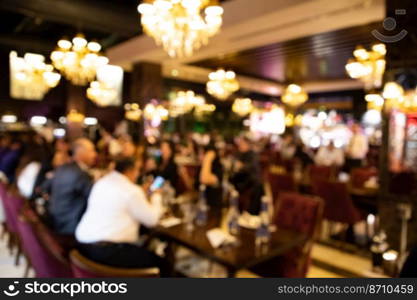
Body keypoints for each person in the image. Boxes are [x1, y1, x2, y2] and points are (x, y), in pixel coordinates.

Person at [75, 158, 167, 274]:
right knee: (162, 264)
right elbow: (152, 220)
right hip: (106, 251)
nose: (138, 174)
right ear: (130, 171)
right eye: (137, 170)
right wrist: (156, 196)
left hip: (83, 245)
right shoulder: (131, 191)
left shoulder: (102, 182)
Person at [48, 138, 96, 235]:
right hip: (71, 226)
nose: (95, 154)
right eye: (91, 151)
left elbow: (45, 187)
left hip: (56, 220)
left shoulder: (63, 168)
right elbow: (94, 197)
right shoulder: (80, 174)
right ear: (80, 152)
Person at [230, 137, 263, 214]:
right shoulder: (239, 153)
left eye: (242, 144)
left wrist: (241, 166)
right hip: (240, 178)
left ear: (247, 145)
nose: (240, 146)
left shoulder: (252, 154)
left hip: (249, 181)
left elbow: (251, 167)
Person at [199, 144, 224, 210]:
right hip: (200, 206)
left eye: (202, 154)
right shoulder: (202, 167)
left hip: (212, 209)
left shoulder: (218, 169)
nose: (200, 157)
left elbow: (204, 179)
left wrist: (208, 158)